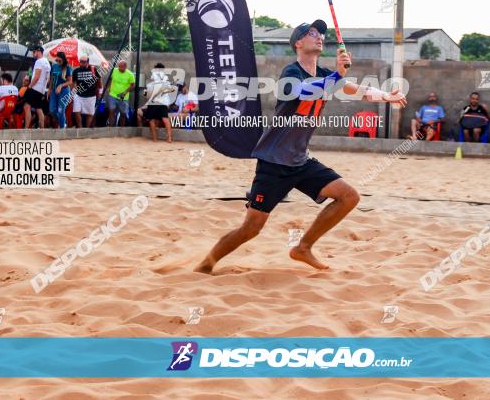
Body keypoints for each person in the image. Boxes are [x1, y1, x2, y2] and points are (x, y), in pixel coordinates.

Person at [194, 19, 406, 274]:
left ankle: (303, 248)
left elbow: (354, 89)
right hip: (273, 163)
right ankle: (205, 265)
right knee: (251, 228)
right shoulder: (291, 73)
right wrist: (338, 75)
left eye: (321, 34)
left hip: (300, 161)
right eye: (312, 33)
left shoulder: (327, 75)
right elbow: (304, 92)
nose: (319, 37)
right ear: (298, 42)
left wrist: (385, 95)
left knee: (349, 196)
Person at [139, 63, 175, 142]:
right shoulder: (166, 79)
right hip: (163, 102)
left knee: (151, 120)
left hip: (154, 102)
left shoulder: (153, 77)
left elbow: (146, 94)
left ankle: (155, 138)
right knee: (165, 119)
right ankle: (169, 137)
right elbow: (171, 90)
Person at [70, 55, 100, 128]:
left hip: (91, 96)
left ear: (87, 62)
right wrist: (72, 95)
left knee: (89, 114)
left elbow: (99, 81)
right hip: (79, 95)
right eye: (81, 61)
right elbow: (73, 83)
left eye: (84, 62)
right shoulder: (76, 71)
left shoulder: (93, 69)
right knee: (76, 111)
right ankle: (80, 128)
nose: (82, 63)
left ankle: (86, 129)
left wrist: (100, 91)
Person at [24, 45, 50, 129]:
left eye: (34, 52)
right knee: (38, 108)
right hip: (42, 89)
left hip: (35, 87)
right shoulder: (47, 62)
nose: (33, 53)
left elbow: (37, 76)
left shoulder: (39, 61)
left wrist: (30, 86)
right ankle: (42, 129)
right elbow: (48, 79)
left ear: (39, 51)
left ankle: (26, 128)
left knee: (26, 106)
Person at [48, 51, 72, 129]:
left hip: (64, 91)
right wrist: (49, 89)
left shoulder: (67, 68)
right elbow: (52, 78)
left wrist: (61, 85)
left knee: (61, 110)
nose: (58, 62)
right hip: (54, 91)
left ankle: (62, 129)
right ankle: (63, 122)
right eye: (56, 60)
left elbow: (70, 81)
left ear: (63, 60)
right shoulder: (54, 66)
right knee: (52, 110)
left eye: (60, 61)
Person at [107, 59, 134, 127]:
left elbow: (133, 85)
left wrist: (125, 92)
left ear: (125, 67)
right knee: (111, 111)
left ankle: (121, 128)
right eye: (119, 66)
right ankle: (111, 128)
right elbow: (110, 79)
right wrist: (109, 88)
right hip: (113, 95)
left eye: (121, 67)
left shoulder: (130, 74)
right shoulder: (114, 71)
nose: (119, 68)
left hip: (123, 96)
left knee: (123, 113)